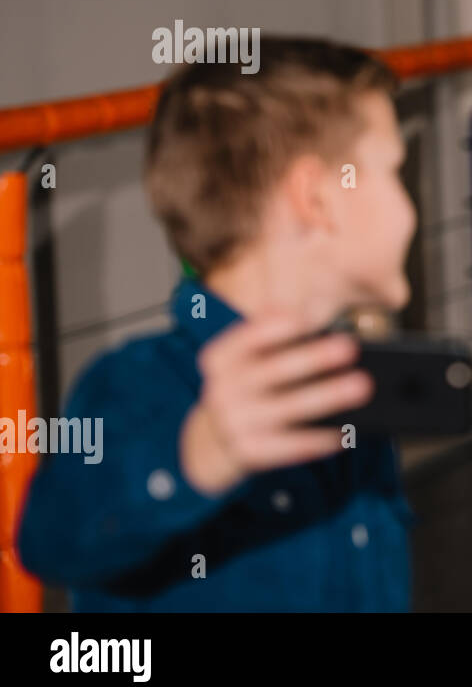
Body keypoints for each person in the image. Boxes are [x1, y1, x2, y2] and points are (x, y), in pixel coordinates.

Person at [17, 37, 418, 610]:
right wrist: (193, 458)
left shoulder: (346, 385)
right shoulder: (137, 384)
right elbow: (50, 540)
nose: (408, 206)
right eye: (394, 171)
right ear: (317, 198)